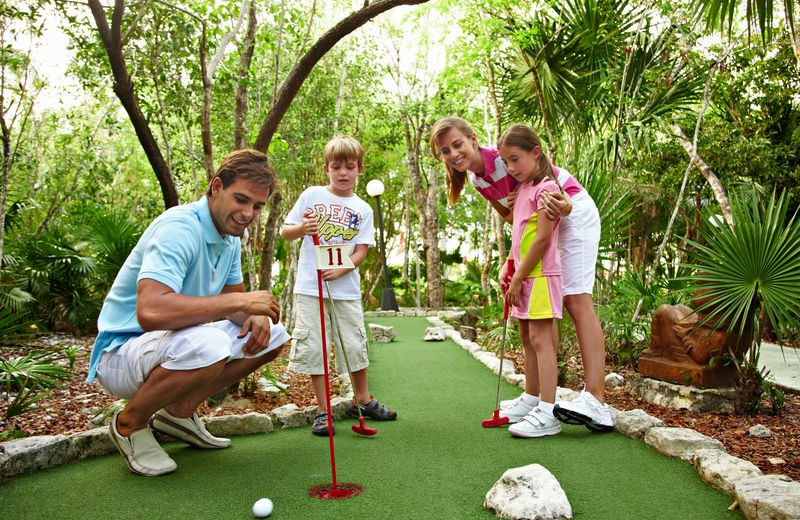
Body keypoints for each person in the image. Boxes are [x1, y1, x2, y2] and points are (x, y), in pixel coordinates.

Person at [87, 149, 290, 477]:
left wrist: (252, 316)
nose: (248, 213)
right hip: (121, 354)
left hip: (170, 346)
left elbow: (232, 299)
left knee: (272, 335)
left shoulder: (229, 238)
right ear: (216, 187)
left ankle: (178, 411)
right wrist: (239, 305)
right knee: (209, 343)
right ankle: (130, 423)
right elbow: (151, 312)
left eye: (257, 206)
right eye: (241, 199)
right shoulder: (180, 227)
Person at [430, 116, 612, 432]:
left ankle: (596, 400)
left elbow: (554, 195)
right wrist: (510, 263)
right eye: (445, 151)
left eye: (457, 144)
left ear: (473, 139)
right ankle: (533, 397)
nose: (454, 153)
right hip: (542, 227)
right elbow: (515, 219)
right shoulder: (478, 180)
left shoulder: (505, 159)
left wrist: (562, 207)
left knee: (576, 301)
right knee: (535, 321)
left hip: (572, 213)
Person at [280, 135, 397, 437]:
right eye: (336, 166)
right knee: (316, 347)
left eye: (349, 166)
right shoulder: (311, 196)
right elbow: (285, 233)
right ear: (326, 168)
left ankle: (364, 399)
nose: (343, 173)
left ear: (359, 168)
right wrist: (302, 229)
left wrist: (343, 268)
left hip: (344, 289)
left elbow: (361, 251)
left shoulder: (363, 209)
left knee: (354, 343)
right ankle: (323, 410)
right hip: (310, 288)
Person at [497, 124, 563, 438]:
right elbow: (519, 237)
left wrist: (519, 277)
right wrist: (509, 270)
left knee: (542, 341)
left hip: (540, 276)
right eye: (506, 162)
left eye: (515, 159)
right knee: (527, 338)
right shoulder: (522, 190)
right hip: (524, 276)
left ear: (535, 153)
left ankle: (549, 411)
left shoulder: (547, 189)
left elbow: (542, 241)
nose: (510, 168)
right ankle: (533, 398)